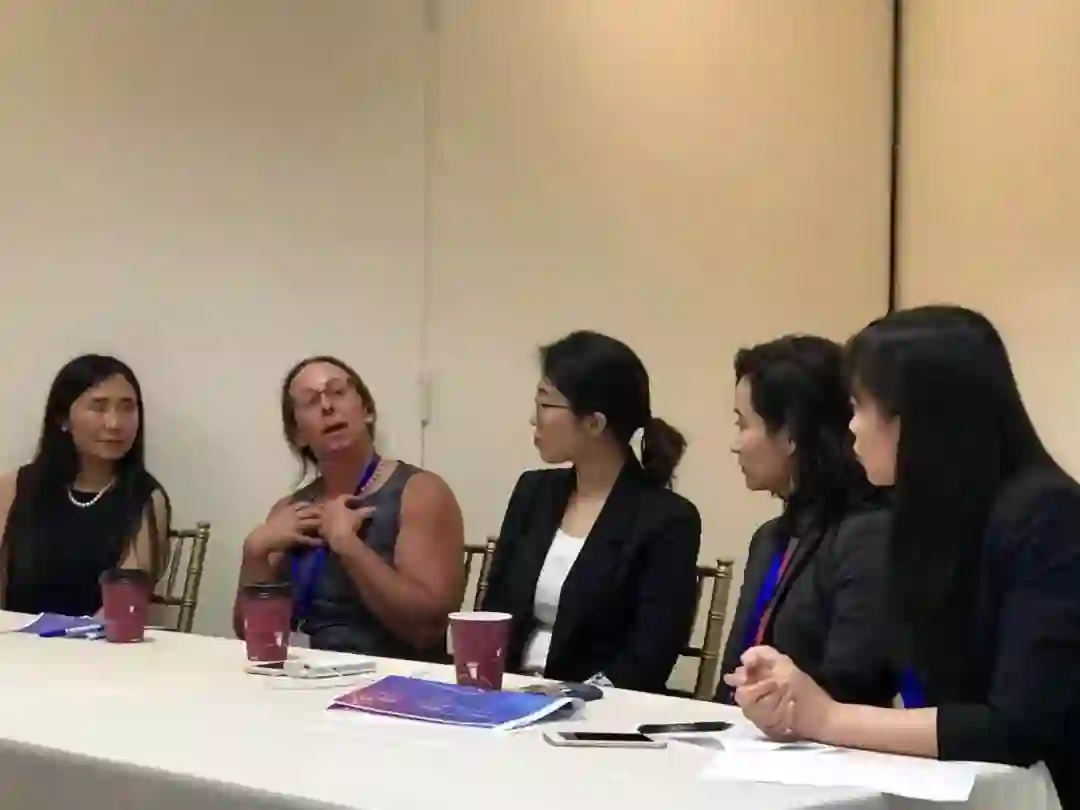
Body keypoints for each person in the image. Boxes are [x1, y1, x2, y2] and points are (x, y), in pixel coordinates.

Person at [726, 306, 1080, 808]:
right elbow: (885, 685)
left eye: (859, 407)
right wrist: (787, 700)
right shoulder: (924, 518)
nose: (850, 428)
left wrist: (825, 717)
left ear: (916, 416)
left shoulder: (1045, 513)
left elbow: (1017, 725)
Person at [482, 331, 702, 694]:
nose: (534, 419)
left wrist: (566, 697)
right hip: (508, 696)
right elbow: (494, 610)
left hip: (598, 708)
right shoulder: (533, 492)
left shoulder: (667, 519)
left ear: (594, 423)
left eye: (545, 404)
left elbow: (650, 656)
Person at [233, 355, 464, 661]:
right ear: (298, 434)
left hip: (392, 678)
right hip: (299, 676)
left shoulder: (420, 492)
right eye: (310, 401)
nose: (327, 406)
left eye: (338, 391)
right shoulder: (288, 510)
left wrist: (347, 545)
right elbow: (249, 635)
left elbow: (427, 629)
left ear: (366, 411)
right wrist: (254, 552)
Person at [715, 336, 893, 706]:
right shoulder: (769, 538)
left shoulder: (868, 534)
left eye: (743, 424)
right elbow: (733, 676)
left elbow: (851, 685)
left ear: (790, 434)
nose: (735, 444)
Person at [0, 354, 170, 617]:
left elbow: (124, 607)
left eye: (127, 408)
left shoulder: (145, 498)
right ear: (63, 418)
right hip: (14, 637)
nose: (115, 423)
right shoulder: (13, 487)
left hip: (97, 640)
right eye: (99, 407)